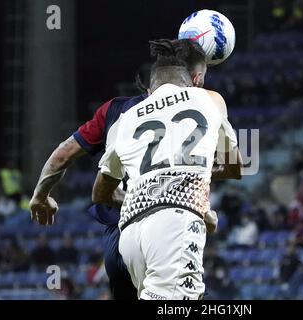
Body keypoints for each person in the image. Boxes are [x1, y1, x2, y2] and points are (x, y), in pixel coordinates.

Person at [28, 39, 222, 299]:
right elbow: (232, 164)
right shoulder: (199, 105)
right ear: (192, 79)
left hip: (120, 240)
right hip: (165, 226)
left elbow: (62, 155)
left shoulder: (115, 111)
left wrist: (40, 195)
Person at [92, 39, 242, 300]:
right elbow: (236, 166)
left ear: (151, 87)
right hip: (174, 224)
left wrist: (148, 190)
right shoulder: (205, 100)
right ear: (191, 80)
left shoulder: (127, 117)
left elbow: (100, 191)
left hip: (130, 235)